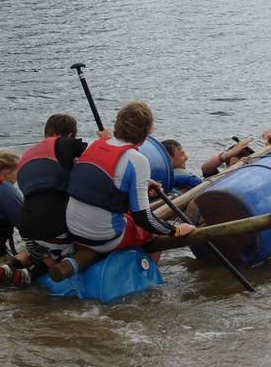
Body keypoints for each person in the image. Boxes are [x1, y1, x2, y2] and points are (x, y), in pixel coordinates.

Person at [66, 101, 195, 256]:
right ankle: (145, 276)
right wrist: (175, 230)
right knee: (154, 234)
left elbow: (104, 182)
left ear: (118, 124)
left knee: (126, 216)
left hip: (73, 229)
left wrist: (144, 182)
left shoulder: (95, 145)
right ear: (146, 131)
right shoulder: (137, 160)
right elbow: (143, 218)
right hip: (103, 238)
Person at [0, 113, 110, 286]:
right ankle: (29, 274)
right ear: (71, 135)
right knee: (61, 253)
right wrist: (107, 140)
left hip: (26, 222)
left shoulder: (27, 155)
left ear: (45, 133)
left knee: (33, 252)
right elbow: (98, 155)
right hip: (52, 222)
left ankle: (9, 266)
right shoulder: (65, 144)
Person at [199, 127, 271, 178]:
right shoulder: (222, 178)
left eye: (237, 166)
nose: (233, 170)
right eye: (231, 166)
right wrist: (226, 155)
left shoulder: (256, 174)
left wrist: (268, 145)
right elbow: (206, 169)